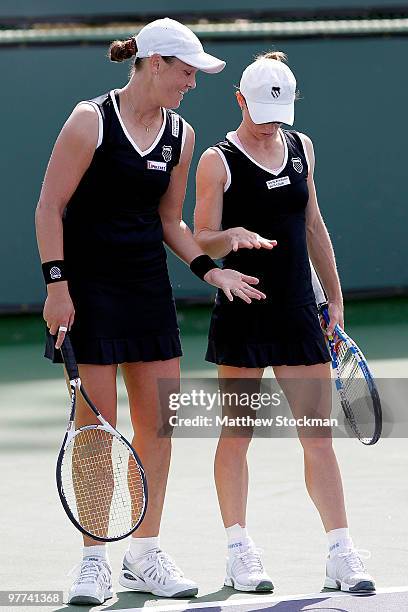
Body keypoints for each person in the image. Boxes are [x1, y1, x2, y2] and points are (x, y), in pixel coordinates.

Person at [35, 18, 266, 605]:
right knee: (95, 431)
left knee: (157, 430)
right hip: (89, 295)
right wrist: (57, 286)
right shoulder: (90, 120)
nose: (192, 83)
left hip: (148, 296)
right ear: (155, 63)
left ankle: (144, 552)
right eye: (187, 71)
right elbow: (49, 207)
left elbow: (170, 222)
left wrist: (208, 268)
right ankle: (94, 561)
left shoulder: (182, 135)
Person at [194, 52, 375, 594]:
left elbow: (312, 221)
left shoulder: (301, 148)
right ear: (240, 100)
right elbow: (201, 234)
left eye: (283, 110)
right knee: (238, 432)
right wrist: (232, 239)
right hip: (244, 310)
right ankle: (238, 551)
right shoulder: (216, 160)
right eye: (264, 109)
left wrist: (335, 298)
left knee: (318, 436)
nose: (275, 121)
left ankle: (342, 553)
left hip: (299, 309)